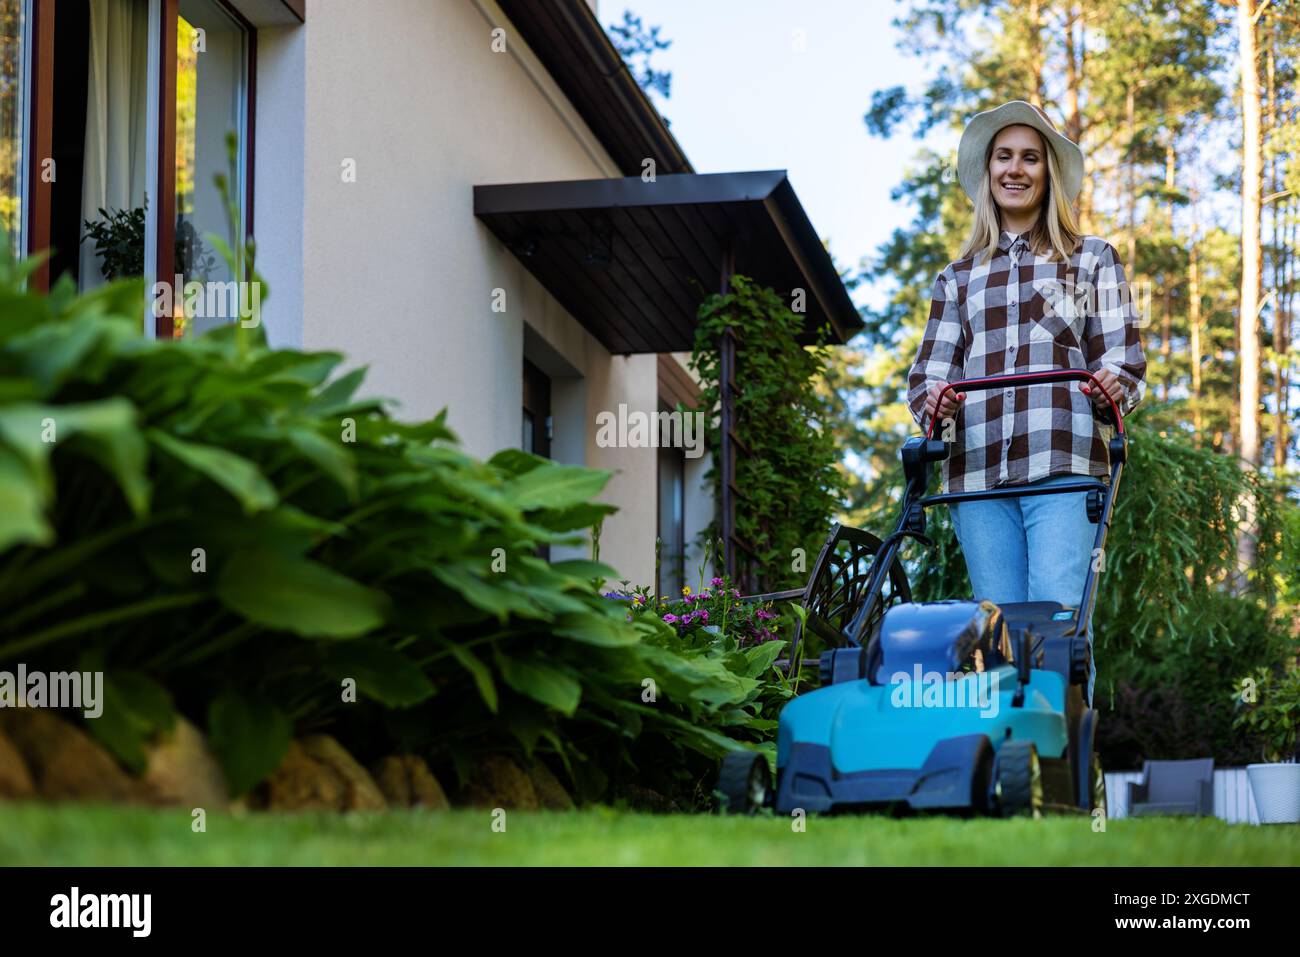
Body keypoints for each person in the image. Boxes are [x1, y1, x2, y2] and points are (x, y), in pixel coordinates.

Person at [906, 100, 1147, 706]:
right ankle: (1017, 779)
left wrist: (1114, 382)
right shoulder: (957, 280)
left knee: (1057, 624)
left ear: (1049, 174)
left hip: (1063, 469)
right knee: (1002, 631)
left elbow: (1125, 360)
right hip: (977, 477)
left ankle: (1067, 769)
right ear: (988, 173)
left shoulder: (1091, 260)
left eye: (1030, 158)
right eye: (1004, 157)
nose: (1016, 169)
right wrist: (934, 399)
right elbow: (927, 379)